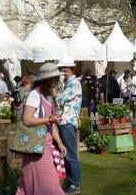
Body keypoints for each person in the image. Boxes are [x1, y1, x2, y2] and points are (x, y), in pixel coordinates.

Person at [15, 63, 66, 195]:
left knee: (34, 185)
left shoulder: (48, 97)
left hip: (45, 147)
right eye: (54, 78)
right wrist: (49, 119)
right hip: (35, 147)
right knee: (50, 186)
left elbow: (52, 124)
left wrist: (59, 143)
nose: (56, 80)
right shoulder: (34, 95)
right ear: (45, 79)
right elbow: (27, 119)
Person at [56, 56, 82, 194]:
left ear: (68, 68)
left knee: (70, 153)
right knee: (64, 153)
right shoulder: (65, 83)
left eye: (62, 68)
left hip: (68, 121)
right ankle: (69, 180)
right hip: (62, 121)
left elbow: (60, 99)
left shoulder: (74, 83)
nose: (60, 70)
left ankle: (75, 183)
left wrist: (55, 96)